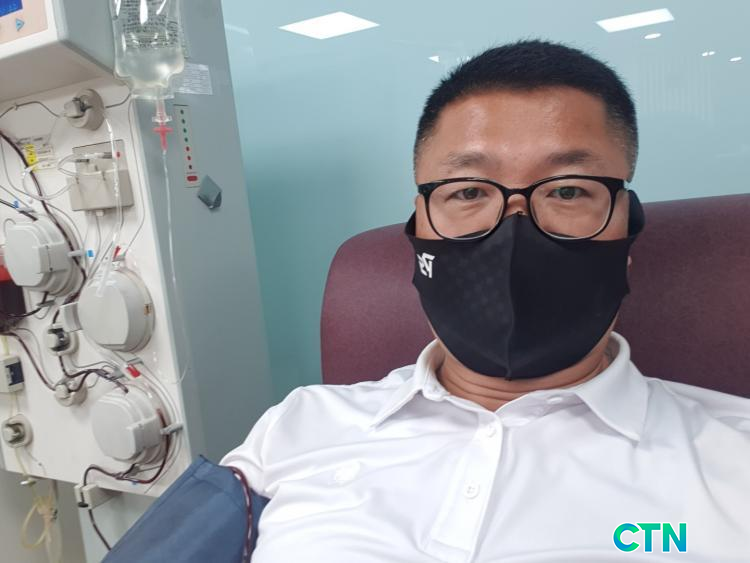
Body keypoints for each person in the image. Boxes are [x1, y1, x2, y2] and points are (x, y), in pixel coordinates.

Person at [222, 39, 750, 562]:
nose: (513, 234)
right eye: (469, 191)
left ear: (627, 235)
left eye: (568, 190)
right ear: (418, 230)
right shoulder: (299, 425)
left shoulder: (732, 462)